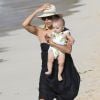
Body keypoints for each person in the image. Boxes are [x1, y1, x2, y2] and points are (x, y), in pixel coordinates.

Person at [22, 3, 80, 100]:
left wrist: (53, 44)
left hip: (63, 71)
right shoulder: (39, 31)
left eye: (49, 17)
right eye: (44, 18)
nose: (47, 20)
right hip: (47, 72)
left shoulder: (63, 31)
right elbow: (25, 24)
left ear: (55, 17)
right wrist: (38, 10)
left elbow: (68, 50)